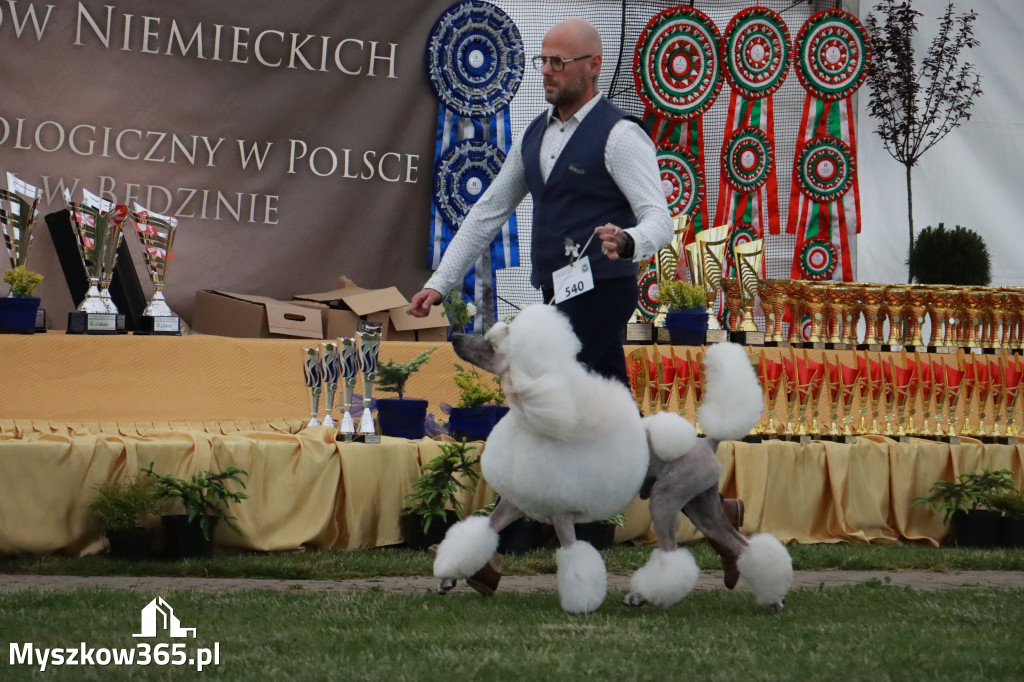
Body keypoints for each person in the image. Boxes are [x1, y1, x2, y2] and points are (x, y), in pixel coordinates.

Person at [409, 18, 742, 595]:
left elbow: (659, 216)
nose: (547, 71)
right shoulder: (533, 135)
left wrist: (631, 241)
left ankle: (493, 549)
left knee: (556, 419)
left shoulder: (619, 135)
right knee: (600, 430)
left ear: (592, 65)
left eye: (559, 62)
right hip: (555, 305)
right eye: (543, 61)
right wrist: (441, 281)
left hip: (602, 297)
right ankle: (717, 517)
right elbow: (489, 210)